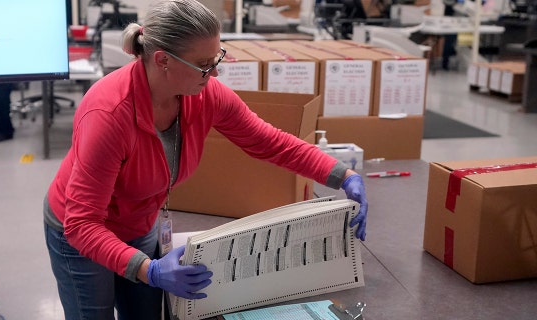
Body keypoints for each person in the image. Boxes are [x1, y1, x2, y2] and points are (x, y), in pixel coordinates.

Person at [43, 0, 368, 319]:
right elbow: (82, 223)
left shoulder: (204, 94)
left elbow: (268, 141)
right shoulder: (109, 115)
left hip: (138, 222)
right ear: (162, 60)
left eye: (217, 58)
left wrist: (342, 174)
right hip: (80, 232)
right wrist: (150, 270)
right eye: (203, 63)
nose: (215, 71)